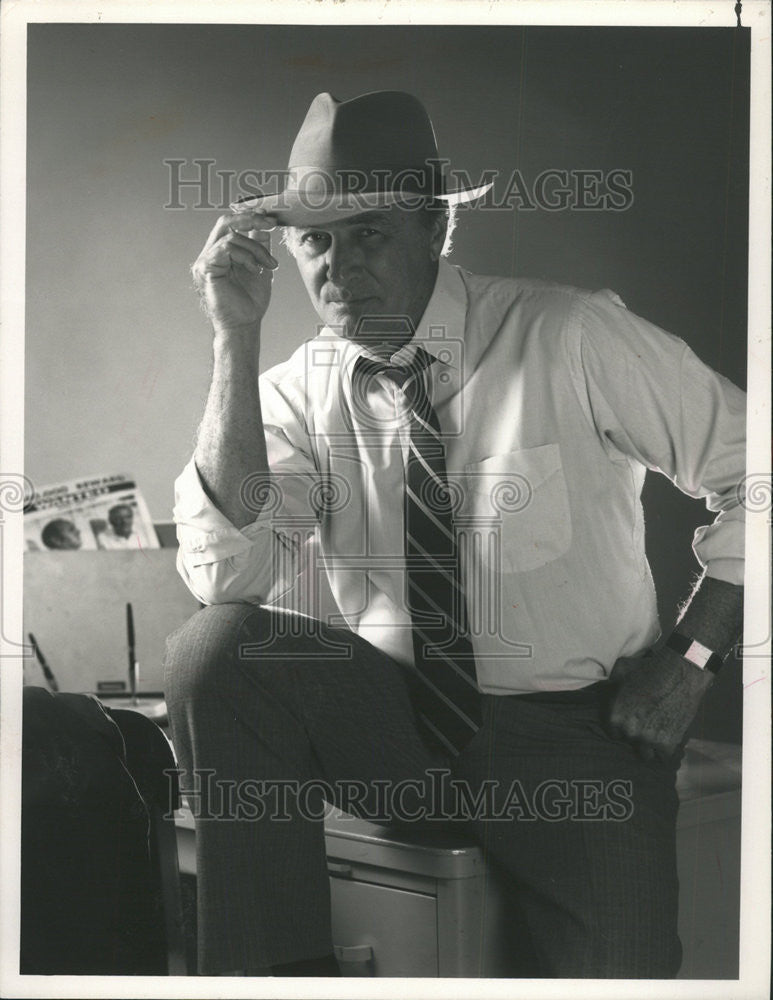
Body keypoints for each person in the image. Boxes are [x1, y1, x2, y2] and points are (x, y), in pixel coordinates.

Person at [165, 91, 745, 979]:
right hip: (391, 730)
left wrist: (692, 657)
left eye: (367, 233)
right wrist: (233, 340)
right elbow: (226, 576)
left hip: (572, 741)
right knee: (217, 648)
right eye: (313, 241)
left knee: (622, 979)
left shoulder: (566, 334)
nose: (337, 268)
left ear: (433, 225)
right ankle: (275, 985)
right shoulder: (290, 390)